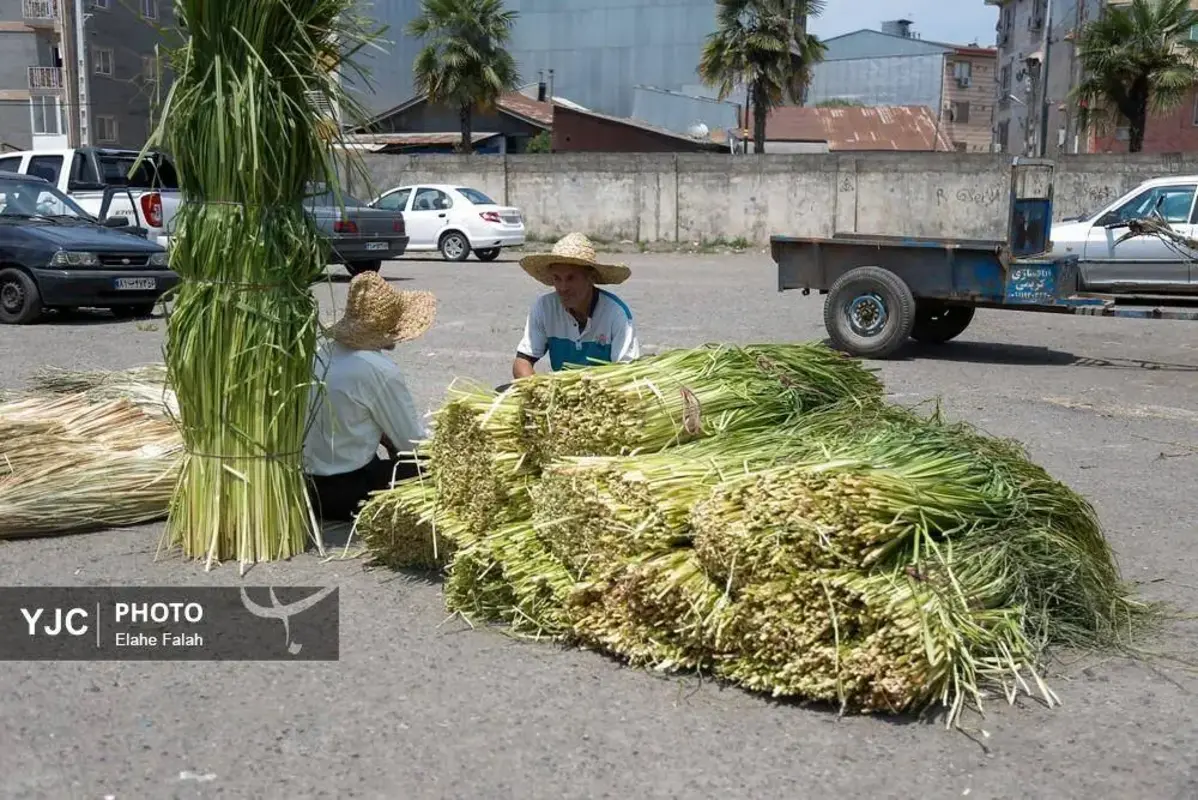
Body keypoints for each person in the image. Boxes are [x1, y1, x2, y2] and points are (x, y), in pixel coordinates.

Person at [302, 271, 437, 522]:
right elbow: (413, 444)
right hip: (350, 493)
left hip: (307, 488)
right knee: (432, 466)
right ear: (391, 327)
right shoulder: (379, 370)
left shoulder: (320, 353)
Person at [510, 232, 640, 381]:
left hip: (603, 394)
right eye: (557, 278)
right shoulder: (544, 307)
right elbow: (522, 361)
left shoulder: (616, 314)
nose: (563, 287)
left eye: (571, 278)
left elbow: (626, 374)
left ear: (590, 277)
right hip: (561, 395)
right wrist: (536, 389)